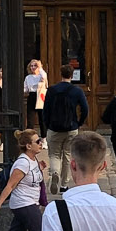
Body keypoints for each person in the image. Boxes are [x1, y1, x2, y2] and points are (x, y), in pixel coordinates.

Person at [41, 63, 90, 193]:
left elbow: (45, 110)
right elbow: (85, 109)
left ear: (60, 74)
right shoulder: (77, 91)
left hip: (54, 128)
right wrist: (79, 123)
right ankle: (63, 184)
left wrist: (47, 124)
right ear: (72, 75)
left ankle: (55, 173)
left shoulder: (52, 90)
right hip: (71, 128)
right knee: (68, 155)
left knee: (54, 154)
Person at [22, 58, 47, 129]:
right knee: (30, 118)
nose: (33, 67)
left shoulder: (41, 75)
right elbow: (25, 89)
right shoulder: (28, 77)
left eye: (35, 66)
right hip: (32, 95)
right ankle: (30, 137)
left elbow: (44, 76)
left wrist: (40, 67)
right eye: (31, 66)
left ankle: (43, 137)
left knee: (42, 118)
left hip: (40, 95)